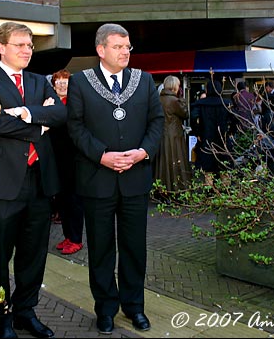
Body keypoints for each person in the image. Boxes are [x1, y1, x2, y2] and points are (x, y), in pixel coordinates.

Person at [0, 21, 66, 339]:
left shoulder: (40, 80)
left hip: (39, 181)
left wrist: (23, 113)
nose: (27, 50)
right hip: (1, 184)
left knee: (33, 254)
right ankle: (0, 319)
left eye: (30, 45)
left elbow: (61, 115)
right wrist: (39, 120)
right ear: (1, 47)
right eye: (20, 45)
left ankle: (25, 311)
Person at [67, 23, 164, 334]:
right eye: (118, 47)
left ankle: (134, 307)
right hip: (97, 179)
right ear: (101, 50)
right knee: (101, 248)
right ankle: (105, 308)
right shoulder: (81, 82)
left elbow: (156, 121)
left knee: (135, 247)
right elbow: (75, 127)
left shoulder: (145, 81)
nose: (125, 52)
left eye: (128, 47)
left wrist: (142, 152)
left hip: (136, 179)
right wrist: (102, 155)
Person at [49, 69, 85, 255]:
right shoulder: (51, 104)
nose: (62, 85)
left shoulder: (75, 104)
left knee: (74, 201)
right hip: (57, 160)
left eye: (66, 82)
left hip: (73, 159)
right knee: (62, 200)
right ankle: (68, 236)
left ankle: (76, 239)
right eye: (58, 82)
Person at [154, 75, 191, 191]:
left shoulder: (157, 100)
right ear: (175, 86)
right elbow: (185, 115)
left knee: (162, 164)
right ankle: (177, 189)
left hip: (160, 135)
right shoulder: (175, 101)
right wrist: (183, 101)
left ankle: (161, 190)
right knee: (176, 163)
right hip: (175, 136)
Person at [190, 79, 234, 174]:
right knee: (224, 169)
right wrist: (231, 132)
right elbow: (235, 119)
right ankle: (224, 188)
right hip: (223, 140)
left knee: (207, 170)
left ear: (207, 90)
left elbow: (193, 117)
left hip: (206, 139)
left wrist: (197, 133)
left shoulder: (200, 104)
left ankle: (209, 188)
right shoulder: (227, 103)